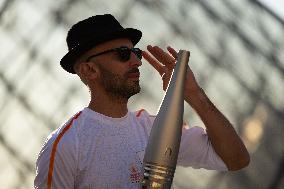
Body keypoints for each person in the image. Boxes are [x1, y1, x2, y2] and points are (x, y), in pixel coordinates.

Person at [34, 14, 250, 189]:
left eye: (135, 52)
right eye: (123, 54)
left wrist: (194, 94)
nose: (137, 61)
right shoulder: (66, 145)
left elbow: (236, 159)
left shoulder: (152, 128)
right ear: (90, 69)